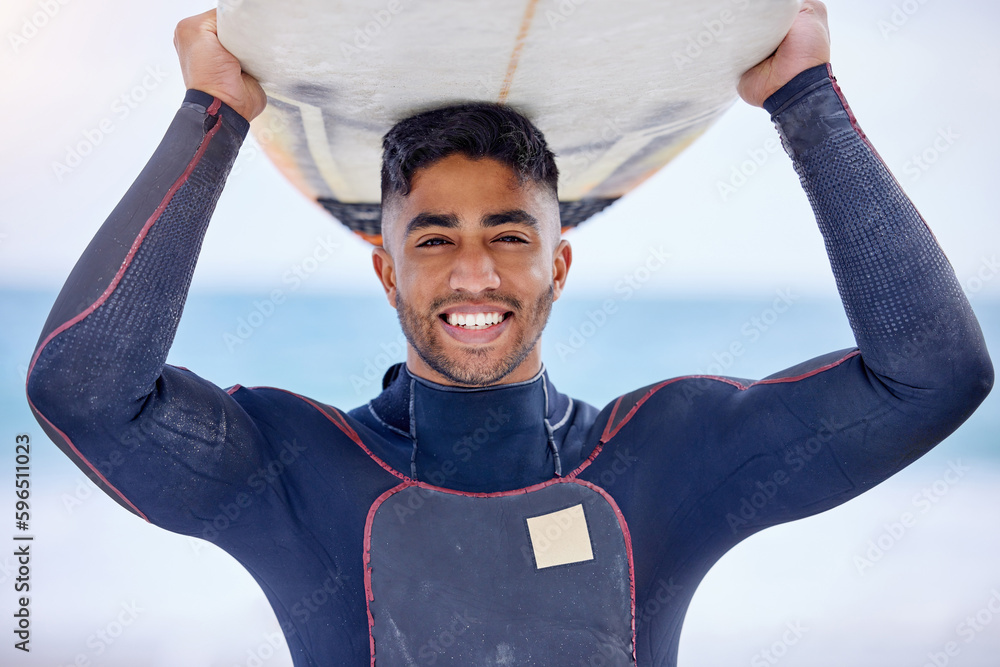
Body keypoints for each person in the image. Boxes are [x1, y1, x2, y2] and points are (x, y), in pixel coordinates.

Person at [25, 2, 992, 665]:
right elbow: (83, 389)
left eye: (510, 234)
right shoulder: (290, 469)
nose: (474, 273)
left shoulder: (665, 456)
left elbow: (934, 373)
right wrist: (214, 114)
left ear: (559, 263)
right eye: (434, 238)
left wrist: (807, 99)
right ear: (385, 269)